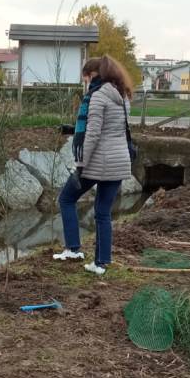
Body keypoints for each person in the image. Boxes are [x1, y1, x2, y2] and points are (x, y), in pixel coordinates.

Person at [53, 55, 133, 276]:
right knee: (103, 212)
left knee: (66, 199)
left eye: (86, 78)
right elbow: (114, 127)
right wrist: (73, 129)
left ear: (93, 75)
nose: (86, 82)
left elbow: (94, 134)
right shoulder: (122, 94)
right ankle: (101, 263)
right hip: (119, 161)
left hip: (98, 161)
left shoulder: (97, 96)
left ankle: (73, 248)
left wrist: (80, 164)